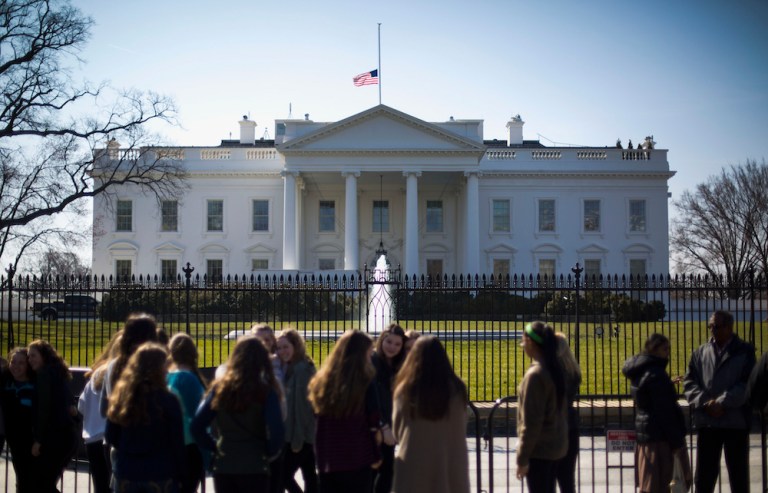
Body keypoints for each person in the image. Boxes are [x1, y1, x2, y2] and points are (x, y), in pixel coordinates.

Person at [192, 334, 285, 493]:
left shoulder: (220, 389)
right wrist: (266, 451)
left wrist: (214, 446)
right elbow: (277, 431)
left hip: (225, 462)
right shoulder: (265, 391)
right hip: (255, 464)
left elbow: (196, 425)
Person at [684, 310, 755, 493]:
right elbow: (689, 382)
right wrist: (706, 402)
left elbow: (746, 384)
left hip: (735, 422)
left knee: (738, 478)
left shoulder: (745, 351)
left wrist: (722, 402)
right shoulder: (700, 352)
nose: (712, 330)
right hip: (708, 423)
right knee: (704, 479)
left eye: (716, 326)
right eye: (710, 326)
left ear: (729, 327)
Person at [391, 335, 469, 492]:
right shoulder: (457, 388)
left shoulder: (406, 389)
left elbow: (397, 429)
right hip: (451, 461)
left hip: (414, 460)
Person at [308, 331, 382, 493]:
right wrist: (376, 455)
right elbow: (373, 421)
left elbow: (318, 421)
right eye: (369, 355)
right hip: (357, 456)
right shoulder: (365, 381)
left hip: (329, 458)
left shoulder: (323, 382)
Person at [106, 343, 185, 492]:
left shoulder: (121, 398)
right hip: (160, 472)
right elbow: (177, 442)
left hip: (127, 471)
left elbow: (111, 436)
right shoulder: (168, 400)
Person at [623, 334, 692, 493]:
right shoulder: (656, 375)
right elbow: (665, 413)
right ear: (654, 350)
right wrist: (677, 443)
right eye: (665, 349)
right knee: (663, 484)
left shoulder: (641, 371)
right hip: (660, 439)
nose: (668, 352)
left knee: (648, 484)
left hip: (646, 435)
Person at [515, 321, 568, 493]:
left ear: (530, 342)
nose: (522, 345)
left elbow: (531, 423)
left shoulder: (535, 376)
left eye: (523, 340)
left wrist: (522, 459)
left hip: (540, 451)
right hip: (555, 447)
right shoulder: (554, 369)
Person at [27, 340, 79, 493]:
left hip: (55, 437)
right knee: (46, 482)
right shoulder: (57, 373)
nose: (30, 360)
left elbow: (44, 409)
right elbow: (70, 406)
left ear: (44, 356)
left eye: (34, 356)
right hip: (67, 436)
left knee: (42, 484)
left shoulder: (44, 374)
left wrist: (38, 440)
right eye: (29, 356)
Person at [78, 332, 122, 493]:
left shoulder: (96, 373)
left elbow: (81, 405)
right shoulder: (124, 373)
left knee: (100, 486)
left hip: (91, 437)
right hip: (111, 437)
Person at [277, 328, 319, 493]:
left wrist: (297, 440)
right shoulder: (291, 367)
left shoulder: (301, 370)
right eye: (279, 348)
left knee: (284, 477)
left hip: (299, 436)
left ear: (296, 346)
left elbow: (303, 409)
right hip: (302, 434)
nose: (282, 351)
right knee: (310, 475)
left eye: (285, 347)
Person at [167, 333, 209, 493]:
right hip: (190, 446)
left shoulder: (166, 377)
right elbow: (199, 420)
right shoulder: (189, 379)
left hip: (170, 444)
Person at [371, 323, 406, 493]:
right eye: (389, 342)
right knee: (374, 472)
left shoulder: (399, 366)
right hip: (375, 427)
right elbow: (371, 399)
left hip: (390, 427)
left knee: (387, 473)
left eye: (397, 344)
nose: (392, 347)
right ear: (381, 340)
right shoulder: (372, 362)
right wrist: (383, 426)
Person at [1, 348, 36, 492]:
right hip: (14, 440)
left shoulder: (35, 386)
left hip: (32, 440)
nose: (16, 366)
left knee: (34, 480)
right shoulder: (6, 383)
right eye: (13, 362)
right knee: (22, 479)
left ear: (28, 365)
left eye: (21, 363)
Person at [554, 333, 582, 493]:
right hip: (571, 426)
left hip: (555, 428)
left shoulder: (554, 371)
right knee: (567, 480)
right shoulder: (573, 371)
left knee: (548, 478)